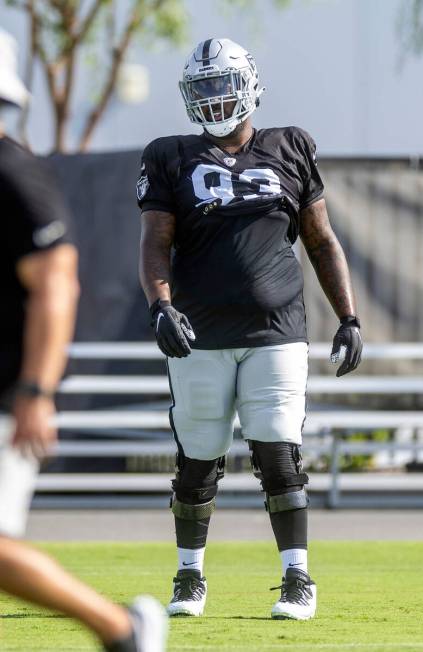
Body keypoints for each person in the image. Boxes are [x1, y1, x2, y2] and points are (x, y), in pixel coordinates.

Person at [138, 37, 362, 621]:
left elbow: (321, 240)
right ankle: (190, 577)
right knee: (197, 457)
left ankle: (297, 577)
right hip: (200, 333)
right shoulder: (169, 154)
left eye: (222, 84)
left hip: (276, 330)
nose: (214, 98)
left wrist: (349, 316)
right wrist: (160, 305)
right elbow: (155, 242)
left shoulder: (289, 146)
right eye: (204, 87)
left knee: (278, 450)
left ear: (249, 85)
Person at [0, 29, 167, 651]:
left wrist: (37, 390)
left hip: (9, 395)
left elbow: (57, 285)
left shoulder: (13, 173)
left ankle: (122, 628)